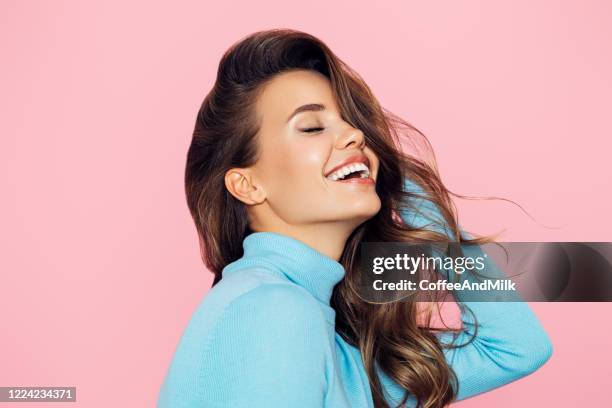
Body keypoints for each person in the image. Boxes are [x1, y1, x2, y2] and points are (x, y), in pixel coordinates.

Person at [157, 28, 553, 408]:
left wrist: (401, 187)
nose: (354, 135)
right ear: (247, 185)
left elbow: (516, 348)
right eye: (312, 126)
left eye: (352, 122)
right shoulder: (273, 308)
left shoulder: (333, 343)